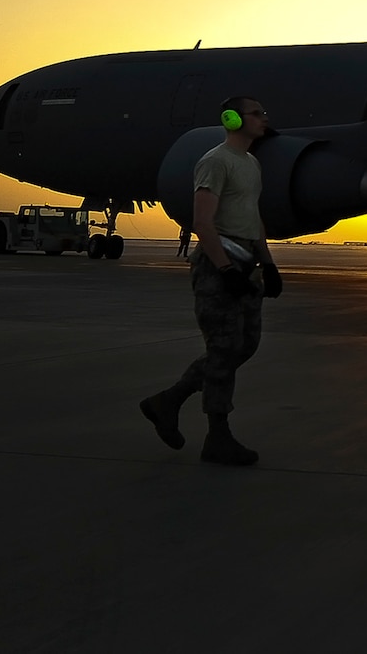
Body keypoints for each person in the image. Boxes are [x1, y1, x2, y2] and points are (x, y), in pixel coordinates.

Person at [139, 96, 283, 466]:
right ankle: (218, 436)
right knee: (224, 349)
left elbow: (252, 217)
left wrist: (268, 264)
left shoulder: (251, 163)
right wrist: (225, 270)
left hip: (246, 263)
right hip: (219, 266)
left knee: (245, 345)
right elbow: (202, 222)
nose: (264, 118)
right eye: (256, 113)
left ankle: (169, 400)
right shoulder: (215, 161)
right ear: (232, 119)